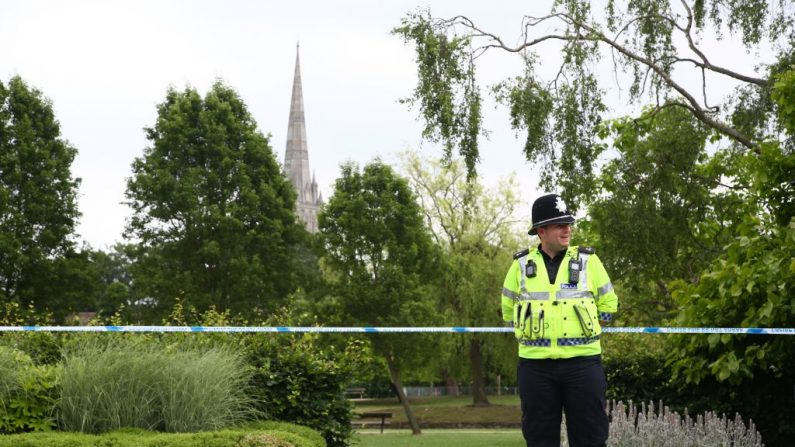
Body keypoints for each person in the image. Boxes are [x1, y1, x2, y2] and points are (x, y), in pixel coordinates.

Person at [501, 193, 618, 447]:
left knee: (591, 438)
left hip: (583, 365)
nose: (567, 229)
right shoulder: (520, 265)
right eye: (559, 225)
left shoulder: (589, 261)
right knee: (539, 439)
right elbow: (508, 312)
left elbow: (609, 303)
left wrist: (593, 328)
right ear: (541, 231)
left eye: (569, 224)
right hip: (535, 368)